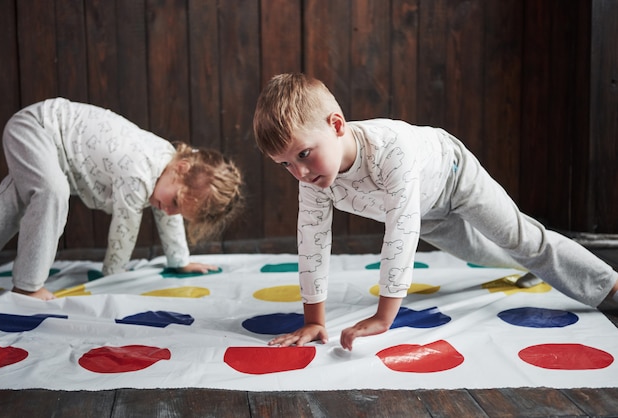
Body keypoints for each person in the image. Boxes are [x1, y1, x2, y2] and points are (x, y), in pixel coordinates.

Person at [252, 72, 618, 351]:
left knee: (519, 239)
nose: (299, 172)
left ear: (335, 125)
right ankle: (536, 270)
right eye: (284, 164)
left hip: (455, 178)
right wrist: (315, 321)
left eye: (302, 154)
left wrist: (384, 317)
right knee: (483, 253)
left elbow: (400, 233)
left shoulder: (387, 150)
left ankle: (610, 285)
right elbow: (312, 243)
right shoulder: (313, 178)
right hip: (426, 210)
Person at [0, 98, 244, 301]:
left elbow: (168, 215)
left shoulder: (167, 167)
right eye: (176, 203)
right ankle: (27, 286)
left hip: (49, 145)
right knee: (52, 193)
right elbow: (125, 229)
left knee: (13, 205)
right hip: (37, 127)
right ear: (182, 168)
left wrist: (179, 261)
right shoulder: (139, 173)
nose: (169, 211)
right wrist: (114, 275)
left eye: (178, 211)